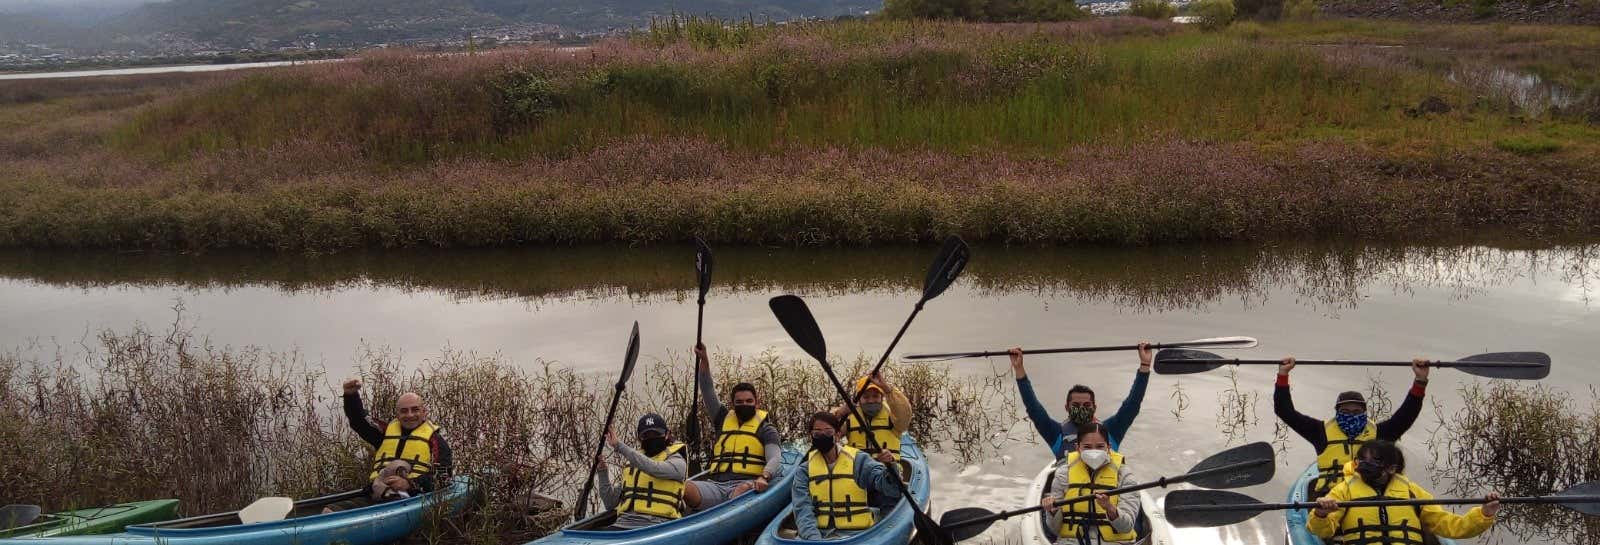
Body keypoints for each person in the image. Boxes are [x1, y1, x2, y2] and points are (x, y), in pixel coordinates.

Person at [1275, 356, 1430, 497]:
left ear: (1364, 412)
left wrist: (1420, 380)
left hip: (1369, 494)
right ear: (1337, 412)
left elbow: (1406, 415)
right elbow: (1285, 411)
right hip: (1331, 496)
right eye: (1345, 411)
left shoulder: (1380, 434)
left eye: (1356, 411)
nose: (1351, 415)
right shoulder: (1320, 432)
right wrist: (1283, 374)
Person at [1309, 440, 1499, 544]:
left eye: (1374, 461)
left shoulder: (1411, 492)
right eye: (1362, 460)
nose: (1365, 465)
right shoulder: (1344, 490)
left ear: (1391, 468)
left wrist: (1483, 514)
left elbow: (1450, 526)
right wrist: (1321, 513)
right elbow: (1321, 530)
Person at [325, 378, 453, 513]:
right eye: (404, 411)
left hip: (413, 498)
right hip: (379, 493)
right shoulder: (384, 433)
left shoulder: (436, 441)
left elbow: (443, 477)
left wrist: (409, 484)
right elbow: (359, 422)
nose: (410, 415)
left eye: (415, 410)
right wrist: (351, 396)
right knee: (328, 511)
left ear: (424, 412)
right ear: (397, 414)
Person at [1009, 343, 1153, 460]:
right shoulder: (1056, 433)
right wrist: (1019, 369)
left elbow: (1132, 405)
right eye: (1076, 405)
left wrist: (1145, 365)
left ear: (1094, 407)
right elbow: (1033, 408)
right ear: (1067, 407)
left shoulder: (1112, 430)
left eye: (1086, 405)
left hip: (1106, 493)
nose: (1082, 408)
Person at [686, 343, 784, 511]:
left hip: (747, 485)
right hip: (716, 486)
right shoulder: (722, 418)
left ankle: (726, 515)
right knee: (683, 487)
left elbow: (775, 458)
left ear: (757, 403)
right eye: (739, 402)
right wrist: (704, 360)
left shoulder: (766, 429)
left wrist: (764, 476)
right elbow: (707, 389)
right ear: (733, 404)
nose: (744, 405)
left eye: (748, 402)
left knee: (741, 490)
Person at [792, 411, 901, 541]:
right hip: (819, 535)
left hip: (858, 535)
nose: (822, 437)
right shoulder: (804, 470)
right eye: (817, 434)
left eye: (828, 433)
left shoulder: (859, 461)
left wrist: (890, 467)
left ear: (837, 435)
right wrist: (814, 540)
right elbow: (802, 509)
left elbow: (891, 489)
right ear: (811, 437)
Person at [1041, 423, 1141, 545]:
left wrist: (1109, 508)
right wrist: (1052, 510)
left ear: (1108, 448)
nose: (1094, 452)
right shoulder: (1063, 473)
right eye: (1087, 447)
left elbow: (1126, 527)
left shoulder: (1124, 474)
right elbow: (1054, 529)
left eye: (1100, 446)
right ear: (1078, 448)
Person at [594, 413, 688, 530]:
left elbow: (654, 468)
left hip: (658, 527)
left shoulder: (677, 462)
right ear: (639, 438)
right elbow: (610, 502)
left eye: (656, 434)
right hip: (622, 526)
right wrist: (603, 472)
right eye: (646, 435)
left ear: (667, 434)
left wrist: (620, 446)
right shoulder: (633, 465)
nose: (651, 438)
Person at [830, 373, 912, 464]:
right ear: (859, 398)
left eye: (875, 396)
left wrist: (887, 389)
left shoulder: (893, 415)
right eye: (866, 397)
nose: (871, 401)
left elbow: (905, 414)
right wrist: (838, 414)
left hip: (888, 470)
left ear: (882, 397)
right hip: (859, 471)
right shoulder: (850, 416)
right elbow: (826, 433)